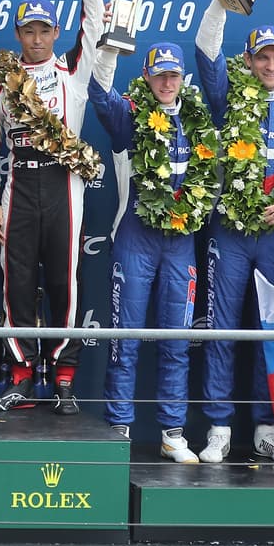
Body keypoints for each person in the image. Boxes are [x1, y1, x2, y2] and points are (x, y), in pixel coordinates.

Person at [195, 0, 274, 464]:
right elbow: (205, 50)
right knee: (222, 328)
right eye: (261, 57)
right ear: (248, 61)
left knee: (273, 334)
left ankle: (268, 427)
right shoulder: (230, 95)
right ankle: (219, 429)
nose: (269, 66)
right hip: (231, 230)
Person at [0, 0, 104, 415]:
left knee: (63, 283)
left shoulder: (73, 67)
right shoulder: (0, 78)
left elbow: (95, 19)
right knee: (17, 283)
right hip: (19, 186)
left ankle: (64, 376)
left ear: (55, 33)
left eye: (44, 30)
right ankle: (21, 374)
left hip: (63, 182)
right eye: (29, 30)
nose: (36, 39)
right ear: (18, 33)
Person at [91, 42, 217, 462]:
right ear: (146, 76)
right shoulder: (130, 116)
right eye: (159, 74)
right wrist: (109, 46)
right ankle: (119, 427)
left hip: (181, 242)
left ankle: (172, 432)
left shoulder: (198, 120)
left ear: (183, 79)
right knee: (124, 340)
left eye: (173, 75)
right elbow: (97, 91)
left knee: (176, 343)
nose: (166, 82)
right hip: (134, 238)